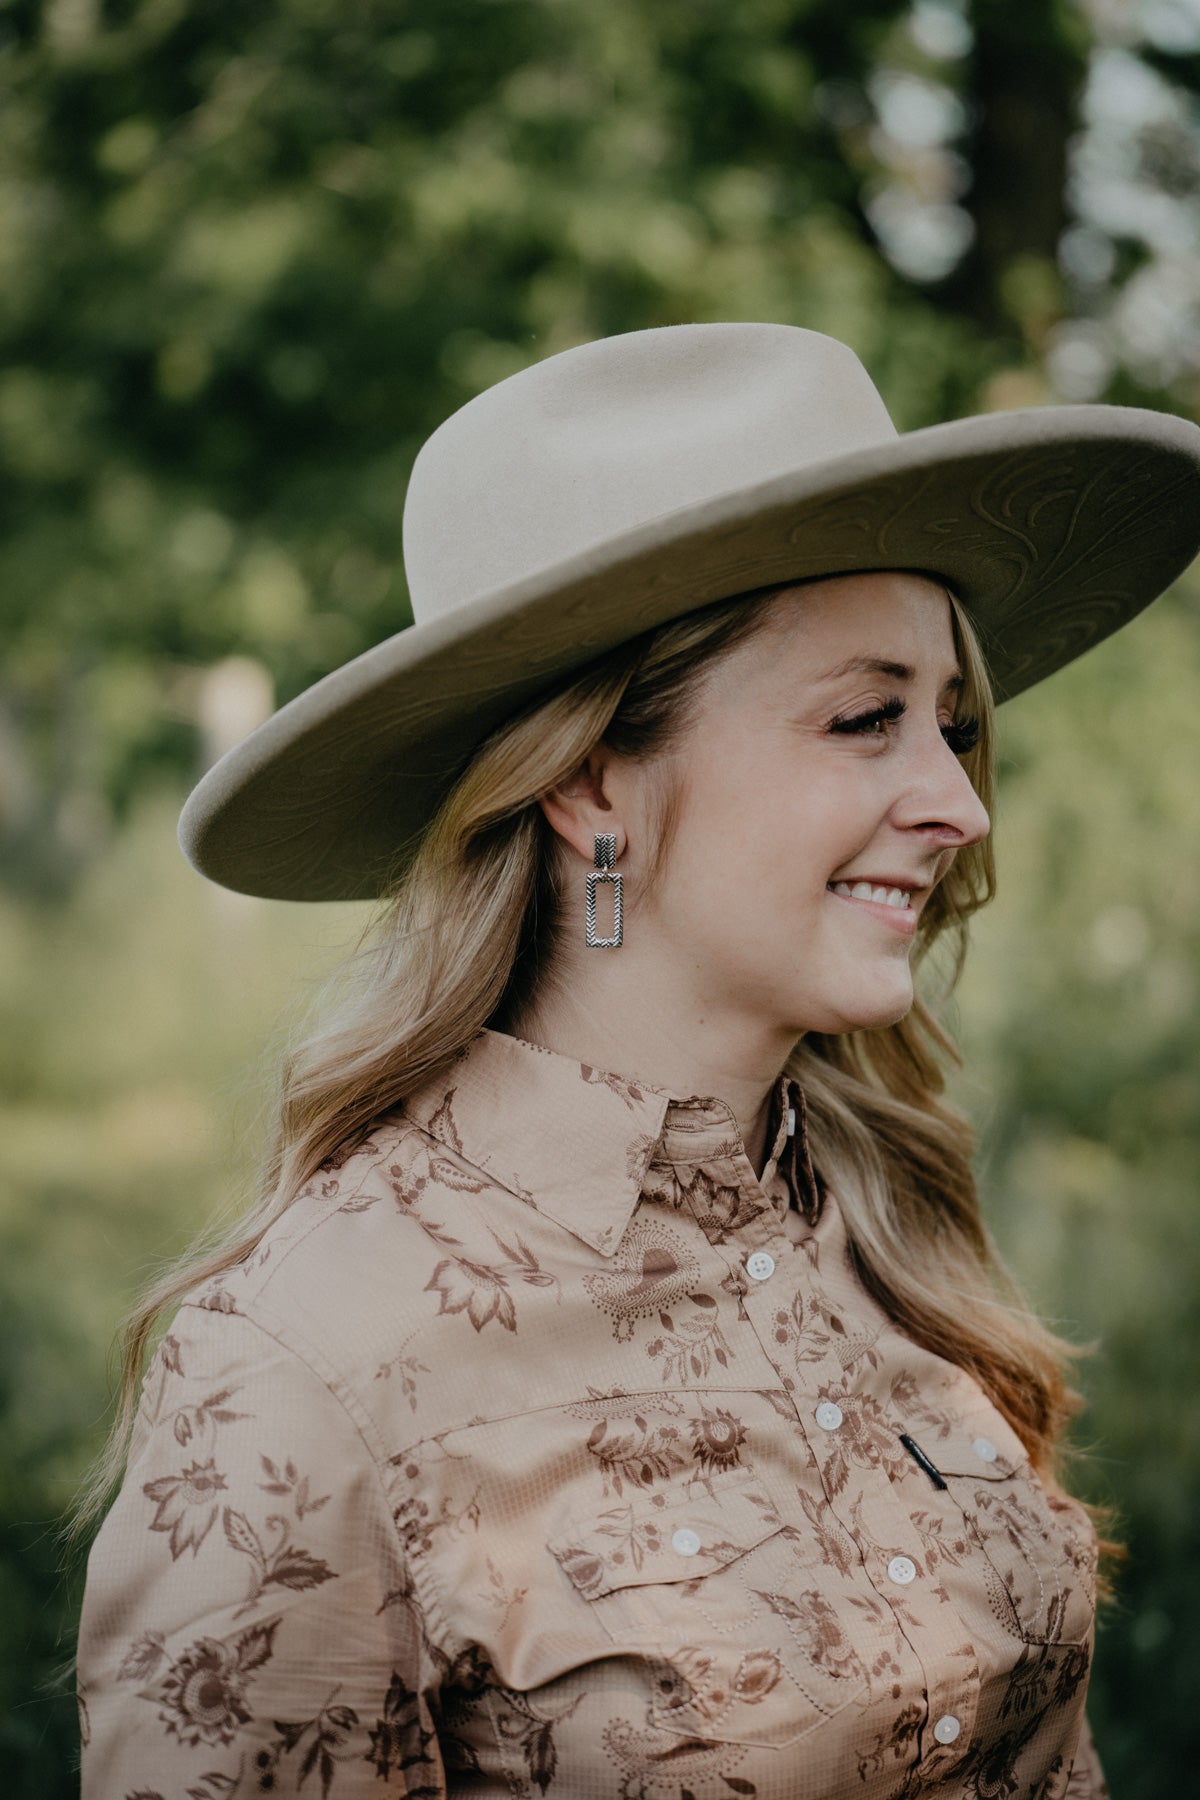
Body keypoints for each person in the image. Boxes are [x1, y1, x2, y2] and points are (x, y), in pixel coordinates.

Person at [75, 323, 1200, 1799]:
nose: (957, 803)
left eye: (952, 723)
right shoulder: (308, 1369)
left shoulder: (876, 1221)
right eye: (868, 719)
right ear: (593, 783)